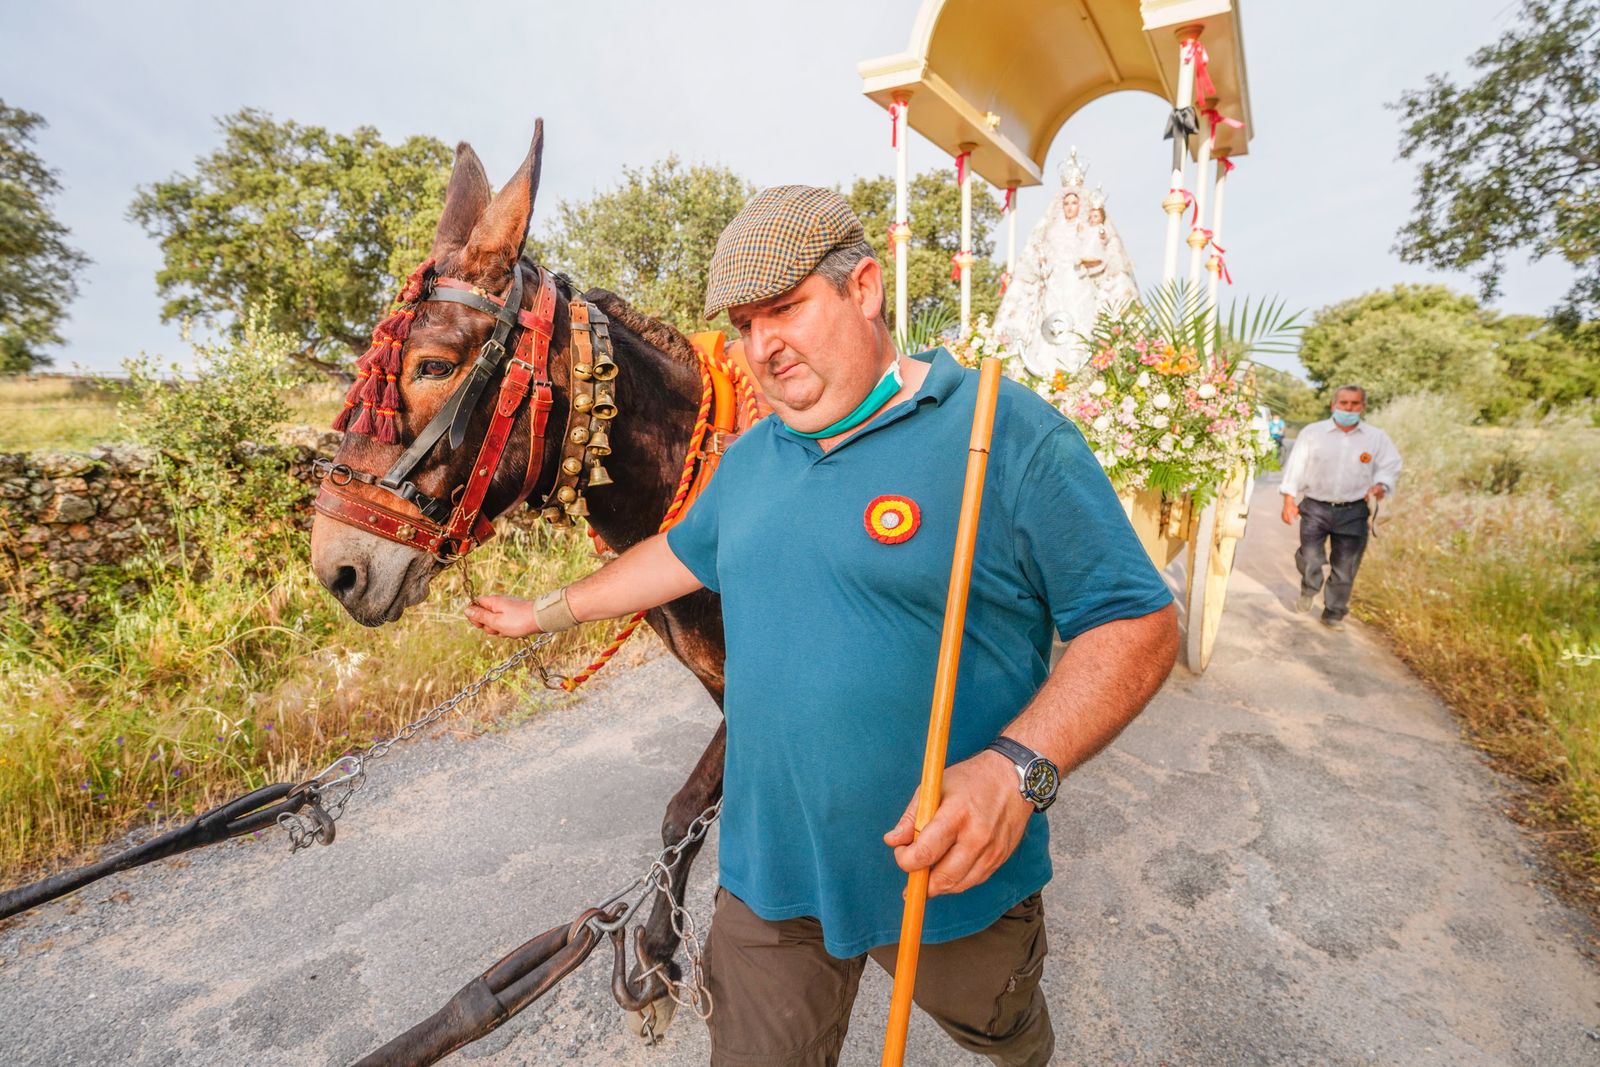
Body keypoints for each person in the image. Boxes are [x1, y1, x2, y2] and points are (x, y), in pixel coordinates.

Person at [465, 185, 1178, 1067]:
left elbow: (1136, 621)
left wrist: (1017, 771)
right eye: (745, 325)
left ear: (865, 288)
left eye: (787, 308)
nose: (763, 346)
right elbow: (676, 556)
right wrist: (541, 612)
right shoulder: (752, 458)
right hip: (771, 879)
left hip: (947, 876)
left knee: (1006, 1034)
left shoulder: (1004, 432)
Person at [992, 149, 1138, 379]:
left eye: (1074, 202)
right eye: (1067, 202)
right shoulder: (1049, 230)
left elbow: (1103, 257)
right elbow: (1036, 256)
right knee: (1050, 324)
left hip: (1080, 284)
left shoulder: (1087, 230)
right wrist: (1042, 264)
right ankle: (1046, 373)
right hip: (1053, 284)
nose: (1070, 207)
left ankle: (1081, 372)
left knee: (1080, 323)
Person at [1279, 385, 1402, 631]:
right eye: (1344, 403)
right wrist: (1289, 501)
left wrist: (1381, 485)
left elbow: (1390, 465)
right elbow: (1296, 465)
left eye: (1354, 404)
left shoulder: (1376, 438)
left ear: (1362, 407)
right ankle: (1309, 588)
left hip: (1353, 511)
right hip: (1315, 507)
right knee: (1310, 557)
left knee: (1345, 566)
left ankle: (1333, 613)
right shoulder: (1313, 433)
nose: (1349, 408)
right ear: (1334, 405)